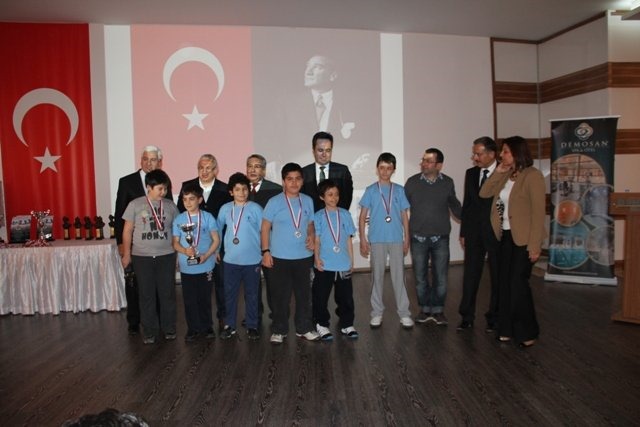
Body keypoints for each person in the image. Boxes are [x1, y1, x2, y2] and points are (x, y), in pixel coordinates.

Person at [479, 136, 546, 348]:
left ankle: (528, 331)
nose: (501, 155)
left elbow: (538, 213)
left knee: (518, 284)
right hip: (505, 237)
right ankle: (506, 329)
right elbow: (484, 193)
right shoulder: (506, 174)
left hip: (524, 239)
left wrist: (534, 245)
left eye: (506, 151)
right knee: (504, 284)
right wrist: (498, 172)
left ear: (517, 153)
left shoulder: (532, 176)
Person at [114, 145, 173, 336]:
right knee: (136, 287)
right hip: (137, 248)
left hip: (163, 249)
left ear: (159, 162)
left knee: (162, 290)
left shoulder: (164, 182)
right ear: (141, 160)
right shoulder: (126, 182)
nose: (149, 163)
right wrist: (122, 245)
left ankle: (162, 323)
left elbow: (170, 217)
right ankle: (134, 321)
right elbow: (120, 216)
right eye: (146, 159)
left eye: (153, 159)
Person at [261, 163, 320, 344]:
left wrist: (311, 235)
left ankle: (304, 328)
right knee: (280, 296)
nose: (294, 183)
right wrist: (265, 251)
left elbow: (310, 224)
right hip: (279, 257)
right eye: (290, 179)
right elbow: (265, 227)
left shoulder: (308, 200)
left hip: (303, 256)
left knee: (304, 295)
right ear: (283, 182)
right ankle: (279, 330)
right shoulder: (274, 202)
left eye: (297, 179)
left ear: (302, 181)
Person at [121, 169, 179, 344]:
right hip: (142, 257)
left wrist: (178, 253)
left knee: (167, 294)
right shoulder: (135, 205)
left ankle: (169, 328)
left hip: (166, 256)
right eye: (160, 188)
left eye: (165, 189)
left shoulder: (170, 206)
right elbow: (127, 231)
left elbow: (177, 231)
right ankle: (149, 331)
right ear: (148, 187)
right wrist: (126, 254)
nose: (163, 192)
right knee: (146, 295)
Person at [404, 148, 462, 326]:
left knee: (441, 278)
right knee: (420, 278)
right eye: (423, 160)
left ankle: (438, 310)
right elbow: (401, 208)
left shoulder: (447, 182)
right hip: (418, 239)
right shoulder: (412, 182)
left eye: (428, 161)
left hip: (440, 239)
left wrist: (469, 219)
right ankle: (424, 309)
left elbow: (454, 206)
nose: (423, 164)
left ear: (439, 165)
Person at [177, 154, 232, 331]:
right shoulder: (187, 186)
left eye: (208, 168)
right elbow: (181, 216)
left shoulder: (225, 189)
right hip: (194, 247)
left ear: (216, 170)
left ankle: (223, 317)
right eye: (201, 167)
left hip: (218, 245)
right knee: (196, 289)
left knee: (221, 283)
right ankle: (196, 324)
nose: (204, 171)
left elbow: (228, 220)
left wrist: (218, 249)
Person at [358, 152, 413, 329]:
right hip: (377, 239)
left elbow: (404, 216)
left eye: (389, 168)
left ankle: (404, 313)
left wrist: (407, 238)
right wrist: (363, 239)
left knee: (399, 276)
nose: (385, 171)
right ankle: (377, 312)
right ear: (377, 169)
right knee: (377, 277)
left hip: (396, 238)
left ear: (393, 170)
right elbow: (362, 217)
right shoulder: (371, 190)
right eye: (382, 167)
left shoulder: (399, 190)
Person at [457, 137, 500, 331]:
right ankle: (466, 316)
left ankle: (494, 317)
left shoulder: (505, 173)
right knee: (470, 276)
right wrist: (464, 232)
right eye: (474, 154)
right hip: (474, 232)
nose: (475, 158)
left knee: (497, 276)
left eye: (478, 154)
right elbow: (467, 204)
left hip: (497, 233)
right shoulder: (471, 173)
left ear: (491, 154)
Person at [217, 172, 263, 340]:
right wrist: (216, 250)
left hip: (252, 260)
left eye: (244, 189)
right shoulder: (225, 209)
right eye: (237, 189)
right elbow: (218, 230)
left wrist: (266, 251)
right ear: (231, 192)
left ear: (248, 190)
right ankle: (229, 325)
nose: (242, 193)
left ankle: (252, 325)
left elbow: (264, 231)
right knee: (230, 294)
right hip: (230, 260)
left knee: (252, 294)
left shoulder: (256, 209)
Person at [172, 183, 220, 342]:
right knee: (189, 299)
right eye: (185, 199)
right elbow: (175, 243)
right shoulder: (179, 219)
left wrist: (206, 256)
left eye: (191, 199)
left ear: (200, 200)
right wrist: (185, 251)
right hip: (187, 267)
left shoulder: (207, 217)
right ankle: (192, 328)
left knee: (204, 298)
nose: (188, 202)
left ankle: (207, 327)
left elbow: (216, 240)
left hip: (206, 265)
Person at [312, 179, 358, 340]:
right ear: (322, 197)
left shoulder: (345, 214)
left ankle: (347, 323)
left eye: (336, 194)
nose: (334, 198)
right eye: (330, 194)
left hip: (343, 263)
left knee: (346, 296)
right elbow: (317, 240)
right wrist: (317, 259)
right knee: (320, 295)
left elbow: (348, 239)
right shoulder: (318, 216)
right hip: (325, 263)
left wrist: (351, 260)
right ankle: (322, 324)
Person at [246, 154, 282, 320]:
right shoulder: (241, 189)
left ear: (264, 170)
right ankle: (254, 314)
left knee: (273, 281)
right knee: (251, 282)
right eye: (250, 166)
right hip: (248, 243)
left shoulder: (275, 190)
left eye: (257, 166)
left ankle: (277, 314)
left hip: (270, 243)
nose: (252, 170)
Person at [301, 131, 354, 212]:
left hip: (336, 217)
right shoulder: (304, 173)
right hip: (311, 218)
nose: (324, 154)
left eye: (328, 150)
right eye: (320, 150)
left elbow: (346, 199)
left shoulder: (342, 171)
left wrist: (335, 216)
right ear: (313, 151)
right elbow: (301, 200)